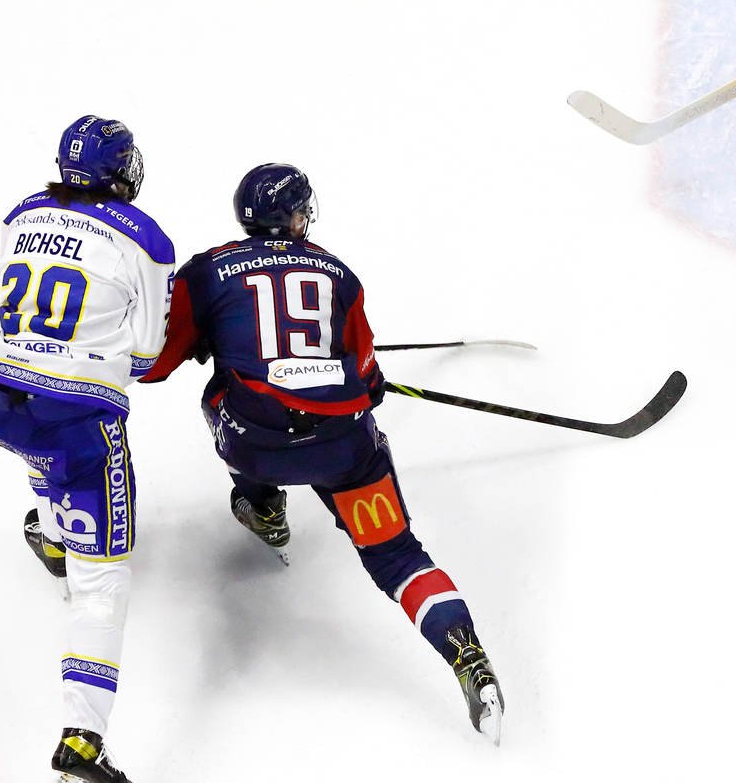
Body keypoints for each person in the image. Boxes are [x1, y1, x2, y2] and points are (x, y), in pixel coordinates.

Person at [141, 164, 504, 744]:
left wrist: (201, 345)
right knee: (398, 558)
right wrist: (372, 381)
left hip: (254, 444)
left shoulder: (207, 269)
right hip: (343, 448)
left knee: (218, 397)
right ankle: (470, 661)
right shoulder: (337, 271)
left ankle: (262, 505)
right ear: (297, 215)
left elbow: (157, 363)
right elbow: (363, 369)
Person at [0, 116, 173, 782]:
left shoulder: (21, 212)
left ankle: (57, 536)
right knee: (101, 584)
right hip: (74, 418)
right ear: (123, 168)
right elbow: (144, 357)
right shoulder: (145, 238)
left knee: (40, 448)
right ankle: (83, 740)